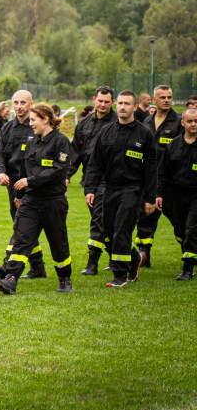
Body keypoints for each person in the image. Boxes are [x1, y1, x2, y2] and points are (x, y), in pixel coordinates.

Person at [0, 103, 74, 295]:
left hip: (53, 200)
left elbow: (58, 170)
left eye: (34, 120)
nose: (31, 124)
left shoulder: (61, 141)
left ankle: (64, 278)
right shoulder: (31, 142)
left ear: (45, 119)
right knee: (22, 237)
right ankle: (10, 279)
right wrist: (19, 194)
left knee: (57, 242)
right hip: (31, 200)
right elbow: (23, 170)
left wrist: (31, 181)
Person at [83, 90, 157, 288]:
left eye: (127, 104)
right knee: (108, 232)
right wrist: (90, 188)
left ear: (135, 107)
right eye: (121, 103)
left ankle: (119, 274)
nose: (123, 107)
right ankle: (135, 259)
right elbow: (95, 163)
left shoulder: (145, 134)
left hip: (133, 189)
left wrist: (150, 198)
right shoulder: (106, 131)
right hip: (110, 188)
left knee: (122, 230)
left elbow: (151, 169)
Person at [0, 90, 46, 278]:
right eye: (16, 102)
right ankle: (37, 267)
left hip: (33, 185)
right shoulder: (7, 128)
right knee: (22, 224)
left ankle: (9, 264)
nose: (19, 106)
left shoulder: (38, 127)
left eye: (23, 102)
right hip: (13, 185)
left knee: (21, 224)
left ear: (32, 104)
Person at [71, 86, 116, 275]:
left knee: (99, 219)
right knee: (106, 222)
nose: (103, 104)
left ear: (112, 102)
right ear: (94, 100)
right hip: (89, 180)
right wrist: (65, 176)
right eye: (100, 101)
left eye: (107, 101)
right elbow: (75, 152)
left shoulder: (117, 123)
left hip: (110, 180)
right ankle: (120, 256)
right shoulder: (84, 123)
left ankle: (92, 262)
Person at [135, 85, 180, 267]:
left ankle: (190, 255)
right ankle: (144, 257)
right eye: (162, 97)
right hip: (149, 182)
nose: (167, 100)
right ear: (154, 100)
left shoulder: (179, 122)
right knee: (145, 219)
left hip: (172, 183)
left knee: (181, 222)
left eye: (169, 97)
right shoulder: (146, 122)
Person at [156, 107, 197, 280]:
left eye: (196, 121)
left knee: (192, 229)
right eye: (190, 121)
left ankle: (187, 269)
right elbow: (162, 172)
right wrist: (159, 194)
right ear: (182, 123)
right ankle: (191, 257)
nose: (193, 124)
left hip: (196, 195)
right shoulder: (174, 145)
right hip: (176, 196)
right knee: (180, 231)